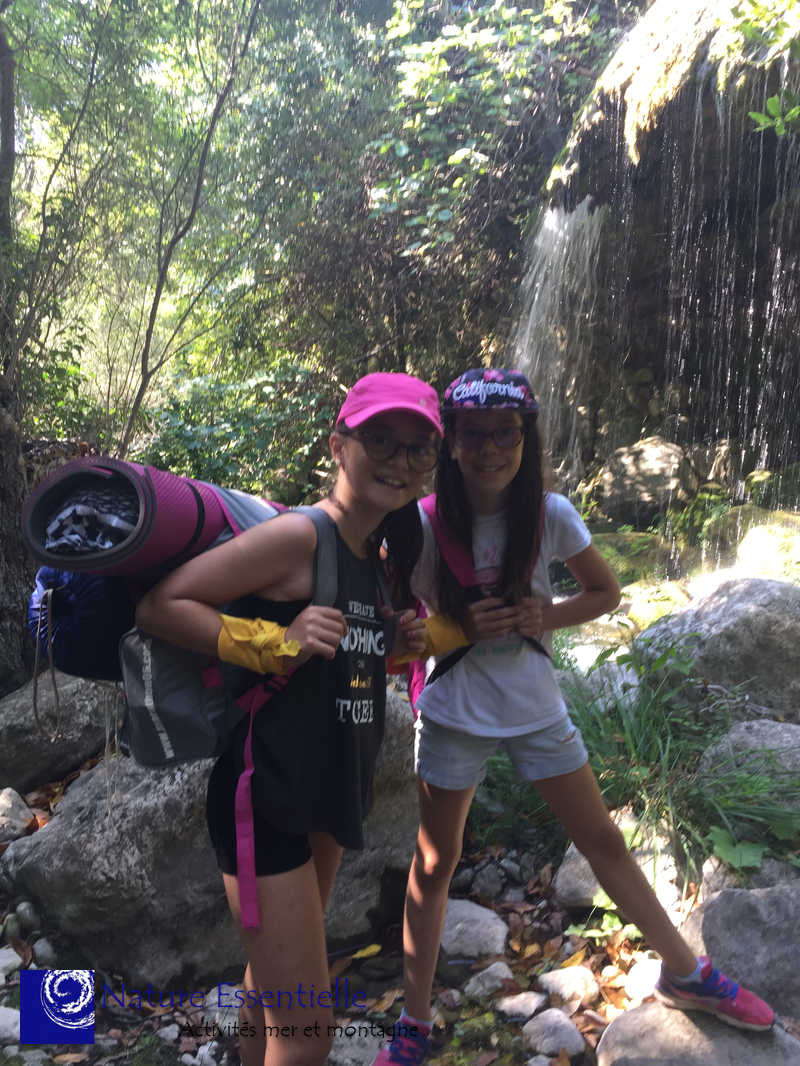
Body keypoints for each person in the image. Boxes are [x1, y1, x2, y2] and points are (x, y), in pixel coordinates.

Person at [373, 367, 775, 1066]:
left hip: (535, 708)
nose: (490, 449)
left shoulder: (551, 514)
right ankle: (413, 1021)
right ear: (452, 444)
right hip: (453, 711)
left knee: (604, 842)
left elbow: (605, 593)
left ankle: (686, 973)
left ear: (525, 440)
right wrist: (428, 632)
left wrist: (544, 615)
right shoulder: (420, 525)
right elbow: (391, 645)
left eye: (505, 434)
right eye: (474, 435)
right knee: (433, 865)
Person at [135, 372, 442, 1066]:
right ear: (338, 445)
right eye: (380, 440)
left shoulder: (374, 554)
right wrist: (276, 642)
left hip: (327, 787)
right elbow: (162, 606)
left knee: (268, 992)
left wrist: (393, 648)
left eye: (417, 448)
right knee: (307, 1035)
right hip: (265, 797)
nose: (399, 461)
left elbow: (338, 662)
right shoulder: (302, 535)